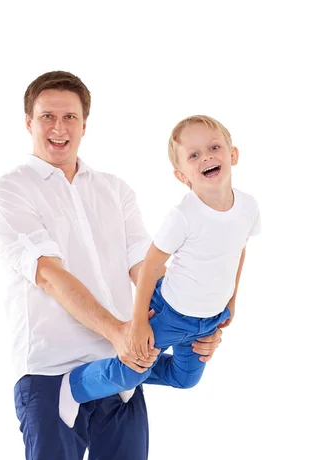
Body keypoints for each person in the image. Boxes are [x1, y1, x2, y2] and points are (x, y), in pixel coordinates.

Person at [0, 72, 223, 460]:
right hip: (50, 378)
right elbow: (48, 274)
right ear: (29, 122)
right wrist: (118, 329)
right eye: (47, 115)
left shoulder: (115, 190)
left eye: (70, 116)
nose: (59, 127)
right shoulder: (10, 192)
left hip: (120, 377)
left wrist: (191, 332)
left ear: (85, 123)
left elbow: (147, 274)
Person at [59, 115, 261, 425]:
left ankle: (127, 370)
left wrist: (231, 302)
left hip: (207, 319)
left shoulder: (248, 207)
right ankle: (75, 385)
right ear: (183, 175)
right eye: (194, 155)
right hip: (169, 312)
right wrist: (139, 323)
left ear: (233, 155)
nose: (206, 156)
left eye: (214, 147)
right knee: (127, 375)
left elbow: (239, 250)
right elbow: (152, 265)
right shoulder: (184, 215)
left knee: (186, 380)